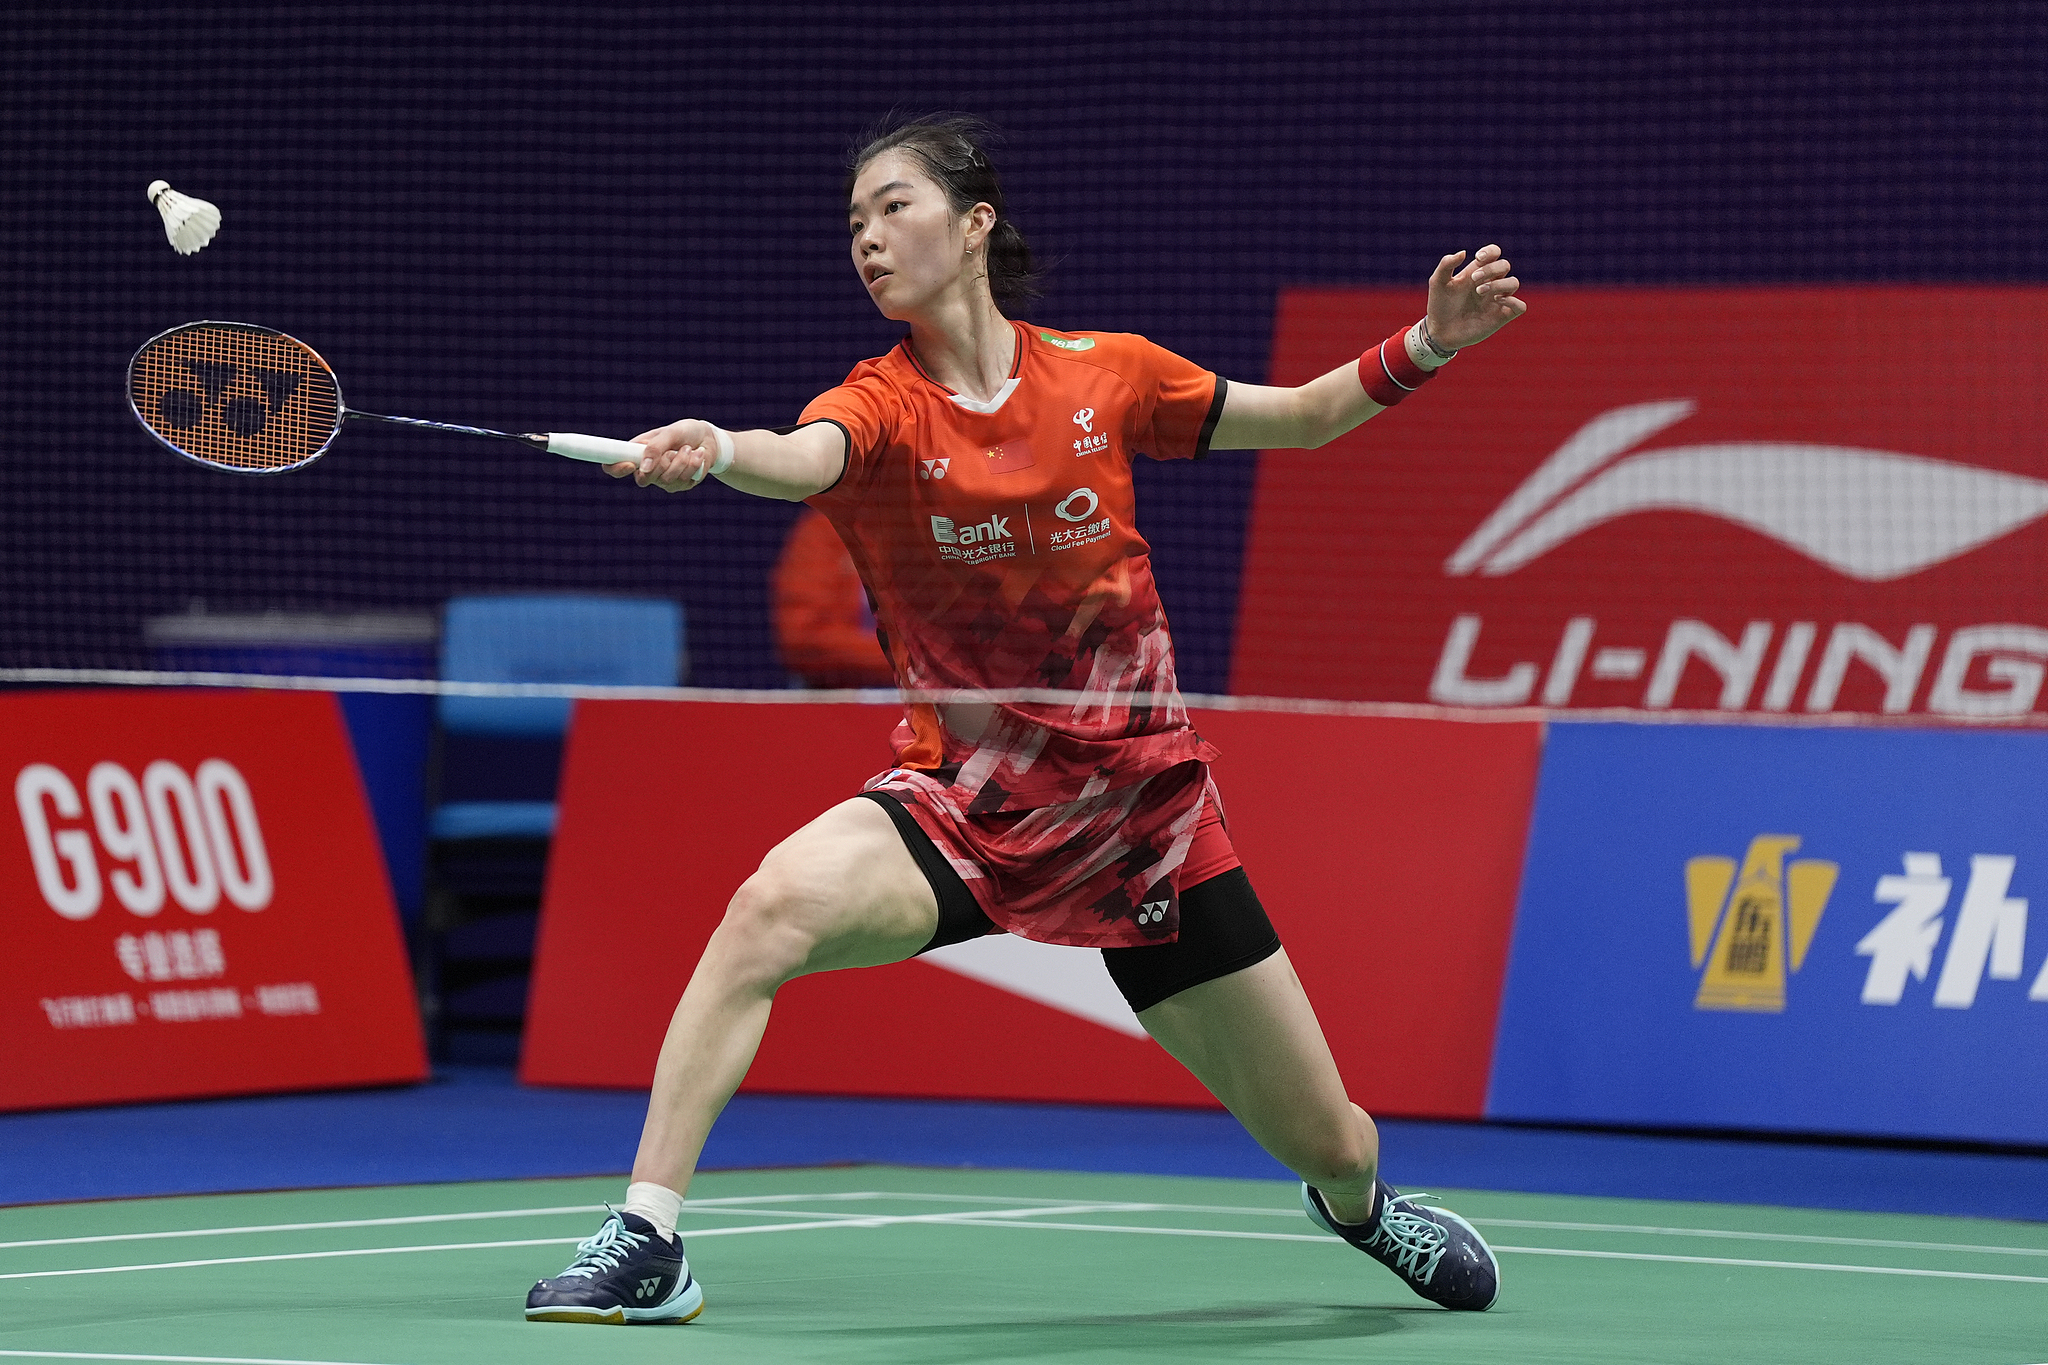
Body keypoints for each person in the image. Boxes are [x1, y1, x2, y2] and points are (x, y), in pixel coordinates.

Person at [524, 114, 1525, 1327]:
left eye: (893, 207)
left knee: (1331, 1139)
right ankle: (648, 1236)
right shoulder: (879, 406)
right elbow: (799, 456)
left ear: (974, 221)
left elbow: (1303, 417)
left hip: (1143, 819)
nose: (867, 238)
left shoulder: (1108, 373)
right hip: (967, 806)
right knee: (767, 912)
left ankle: (1362, 1211)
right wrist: (715, 448)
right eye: (852, 223)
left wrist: (1427, 341)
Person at [771, 505, 896, 687]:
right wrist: (906, 658)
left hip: (929, 696)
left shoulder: (936, 528)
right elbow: (803, 640)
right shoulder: (821, 530)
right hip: (832, 696)